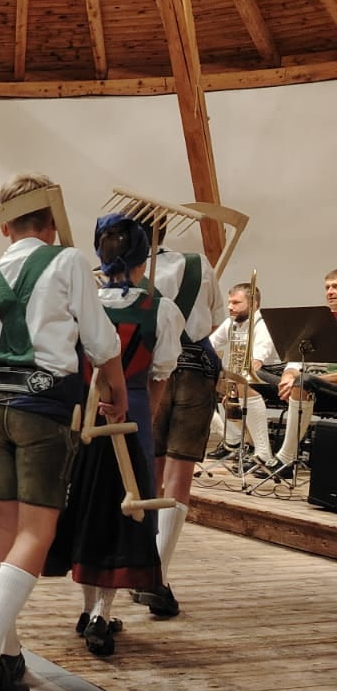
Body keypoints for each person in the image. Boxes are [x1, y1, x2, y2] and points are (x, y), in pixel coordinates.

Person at [0, 173, 125, 691]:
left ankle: (7, 655)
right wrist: (117, 393)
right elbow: (101, 342)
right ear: (53, 221)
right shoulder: (70, 261)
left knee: (2, 525)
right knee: (37, 529)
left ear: (4, 226)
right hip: (44, 406)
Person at [50, 216, 184, 658]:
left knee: (87, 507)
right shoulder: (160, 309)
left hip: (84, 417)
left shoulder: (80, 306)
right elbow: (161, 375)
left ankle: (88, 608)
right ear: (143, 259)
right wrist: (143, 410)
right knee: (123, 515)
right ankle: (100, 615)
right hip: (134, 415)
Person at [147, 227, 226, 617]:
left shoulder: (127, 270)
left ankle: (137, 568)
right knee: (179, 476)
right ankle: (157, 578)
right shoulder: (198, 264)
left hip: (151, 372)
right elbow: (214, 322)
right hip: (196, 369)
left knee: (149, 474)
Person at [265, 266, 337, 481]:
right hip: (303, 381)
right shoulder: (320, 321)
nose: (330, 292)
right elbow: (297, 355)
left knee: (304, 380)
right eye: (327, 287)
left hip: (329, 387)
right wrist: (288, 375)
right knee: (250, 376)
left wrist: (303, 379)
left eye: (335, 287)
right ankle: (258, 451)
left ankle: (286, 458)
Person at [209, 282, 278, 470]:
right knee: (203, 382)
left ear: (253, 304)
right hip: (243, 377)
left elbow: (256, 362)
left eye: (236, 303)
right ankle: (232, 439)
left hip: (271, 375)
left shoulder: (263, 324)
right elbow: (210, 345)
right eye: (229, 302)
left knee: (240, 382)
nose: (230, 307)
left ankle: (263, 452)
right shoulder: (231, 322)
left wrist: (233, 381)